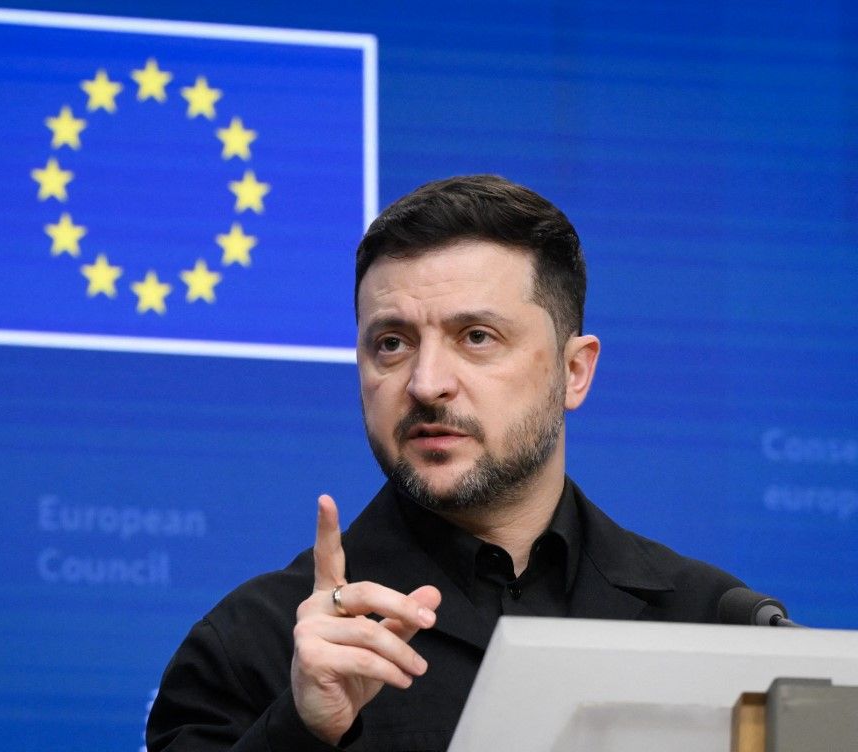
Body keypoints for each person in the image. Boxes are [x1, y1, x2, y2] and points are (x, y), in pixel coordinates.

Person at [145, 175, 744, 751]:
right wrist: (304, 732)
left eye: (476, 337)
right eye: (392, 343)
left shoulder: (713, 624)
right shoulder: (254, 644)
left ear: (574, 371)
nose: (427, 384)